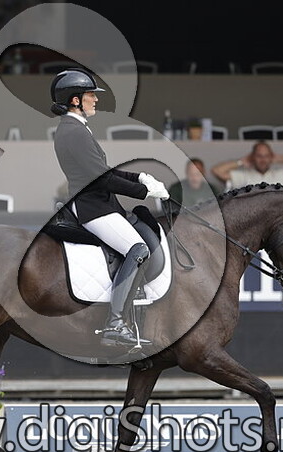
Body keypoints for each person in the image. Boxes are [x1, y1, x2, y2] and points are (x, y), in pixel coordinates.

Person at [51, 68, 169, 349]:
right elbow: (101, 179)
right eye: (90, 95)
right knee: (138, 250)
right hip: (93, 208)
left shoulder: (76, 129)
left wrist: (139, 177)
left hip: (98, 203)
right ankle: (115, 324)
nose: (96, 99)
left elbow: (103, 170)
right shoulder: (73, 132)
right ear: (75, 100)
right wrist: (143, 192)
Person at [211, 141, 283, 189]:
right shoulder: (243, 176)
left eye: (266, 156)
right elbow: (216, 170)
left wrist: (279, 158)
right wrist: (242, 161)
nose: (263, 160)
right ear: (252, 157)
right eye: (259, 156)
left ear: (271, 157)